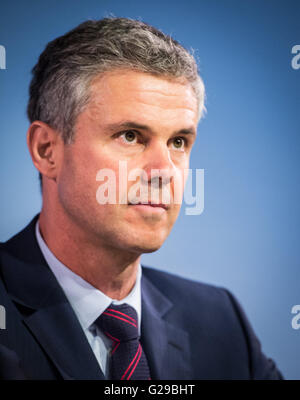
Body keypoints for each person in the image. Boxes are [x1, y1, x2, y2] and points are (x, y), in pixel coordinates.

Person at [0, 17, 282, 380]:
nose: (164, 170)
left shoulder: (222, 324)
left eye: (178, 142)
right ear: (47, 150)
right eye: (130, 136)